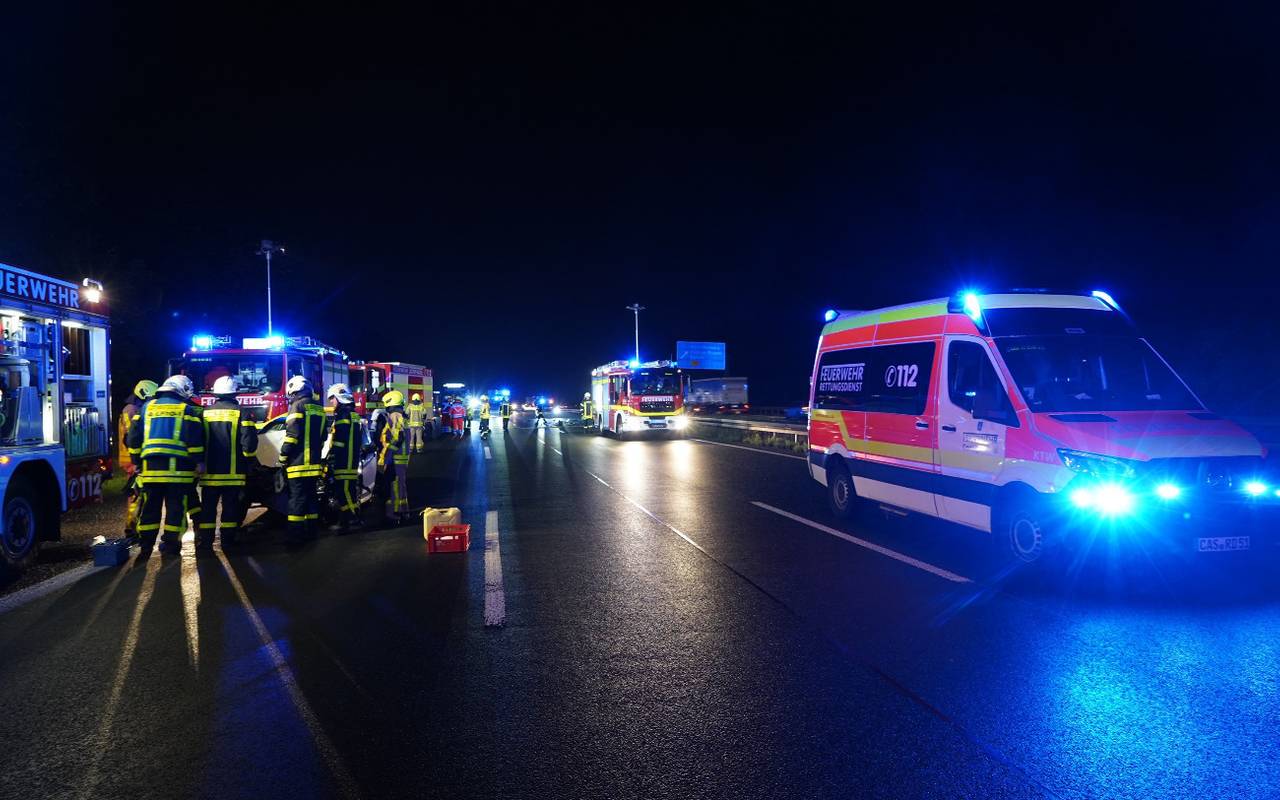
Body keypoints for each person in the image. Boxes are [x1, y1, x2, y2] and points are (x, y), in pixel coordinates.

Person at [126, 375, 204, 557]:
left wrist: (136, 461)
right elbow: (194, 441)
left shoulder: (146, 407)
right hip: (178, 472)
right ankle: (171, 546)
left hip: (151, 470)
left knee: (150, 508)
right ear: (183, 391)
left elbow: (133, 438)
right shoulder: (187, 410)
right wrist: (199, 462)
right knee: (175, 510)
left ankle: (146, 546)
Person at [197, 375, 258, 552]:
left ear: (216, 393)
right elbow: (249, 444)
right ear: (235, 392)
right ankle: (227, 543)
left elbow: (198, 439)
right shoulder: (242, 412)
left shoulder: (205, 412)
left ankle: (206, 543)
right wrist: (249, 460)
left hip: (209, 473)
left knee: (208, 510)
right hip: (233, 472)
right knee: (230, 510)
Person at [280, 375, 327, 544]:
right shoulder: (319, 408)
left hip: (297, 464)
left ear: (294, 391)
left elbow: (292, 435)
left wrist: (282, 456)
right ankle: (311, 532)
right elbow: (323, 436)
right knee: (311, 497)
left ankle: (295, 536)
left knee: (297, 500)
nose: (290, 398)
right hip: (314, 464)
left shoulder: (297, 406)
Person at [118, 379, 157, 537]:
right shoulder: (132, 410)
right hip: (131, 459)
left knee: (137, 494)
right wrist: (137, 461)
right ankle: (131, 528)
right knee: (136, 495)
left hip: (129, 458)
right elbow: (131, 437)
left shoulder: (130, 408)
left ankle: (133, 527)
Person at [325, 383, 363, 532]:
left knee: (344, 491)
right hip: (351, 459)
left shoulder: (343, 414)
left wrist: (333, 454)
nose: (331, 403)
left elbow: (340, 439)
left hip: (344, 460)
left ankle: (350, 520)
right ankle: (350, 519)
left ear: (339, 398)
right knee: (349, 490)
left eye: (332, 399)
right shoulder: (352, 413)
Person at [378, 389, 409, 525]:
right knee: (400, 486)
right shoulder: (401, 416)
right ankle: (403, 511)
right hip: (400, 458)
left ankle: (396, 514)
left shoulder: (395, 416)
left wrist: (386, 458)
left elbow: (397, 438)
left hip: (395, 459)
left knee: (395, 487)